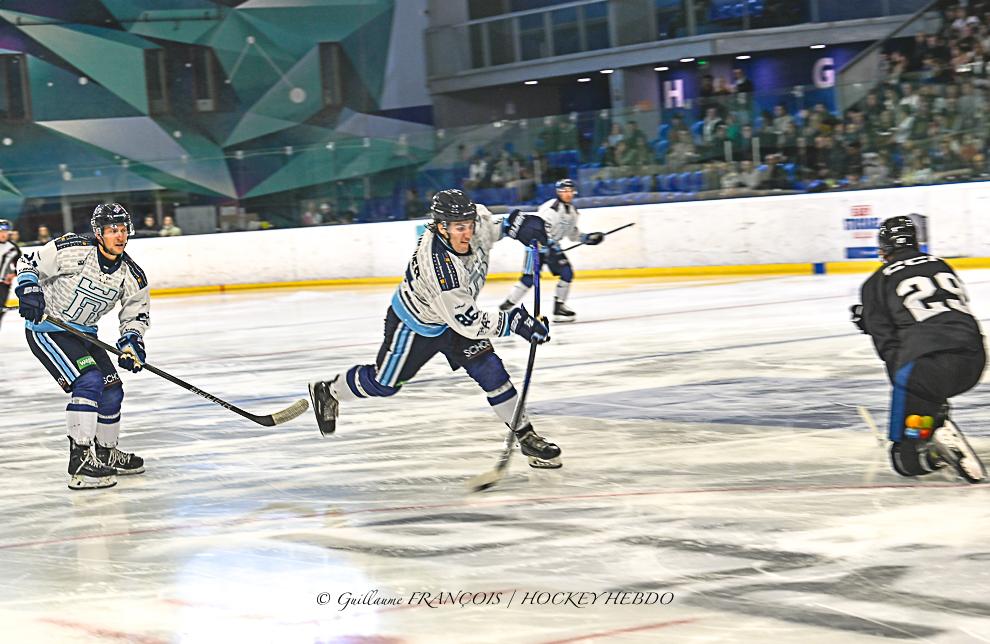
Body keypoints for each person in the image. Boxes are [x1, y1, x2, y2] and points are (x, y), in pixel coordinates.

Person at [307, 189, 562, 469]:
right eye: (459, 228)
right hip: (415, 325)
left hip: (455, 317)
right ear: (441, 227)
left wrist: (517, 224)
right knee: (384, 384)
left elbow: (493, 228)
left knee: (492, 372)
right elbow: (470, 323)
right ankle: (329, 391)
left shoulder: (474, 222)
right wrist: (514, 322)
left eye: (469, 224)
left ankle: (526, 437)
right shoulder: (440, 268)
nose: (467, 233)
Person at [14, 203, 150, 490]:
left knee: (112, 390)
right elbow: (29, 262)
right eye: (112, 230)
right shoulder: (72, 249)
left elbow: (135, 314)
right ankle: (80, 460)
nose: (120, 236)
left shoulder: (131, 274)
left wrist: (132, 342)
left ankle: (106, 452)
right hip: (49, 329)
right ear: (99, 233)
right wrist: (29, 288)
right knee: (89, 381)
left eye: (123, 229)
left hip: (85, 334)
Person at [851, 215, 986, 483]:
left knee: (904, 461)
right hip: (974, 360)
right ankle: (934, 420)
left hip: (927, 369)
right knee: (926, 394)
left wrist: (906, 386)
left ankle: (935, 444)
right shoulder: (940, 265)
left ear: (884, 248)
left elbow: (887, 344)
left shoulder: (875, 283)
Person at [499, 178, 604, 323]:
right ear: (558, 192)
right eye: (564, 191)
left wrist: (587, 238)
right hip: (534, 248)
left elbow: (572, 233)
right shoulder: (550, 209)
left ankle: (559, 307)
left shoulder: (573, 212)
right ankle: (506, 307)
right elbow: (538, 229)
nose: (568, 194)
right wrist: (547, 246)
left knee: (567, 272)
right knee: (529, 279)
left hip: (553, 247)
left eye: (570, 191)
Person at [0, 219, 21, 330]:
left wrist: (13, 274)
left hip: (3, 285)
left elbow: (21, 265)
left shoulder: (13, 248)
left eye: (5, 231)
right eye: (0, 232)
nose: (3, 234)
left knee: (1, 310)